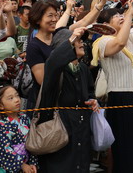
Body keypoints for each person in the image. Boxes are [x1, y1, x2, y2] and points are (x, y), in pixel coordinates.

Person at [37, 27, 99, 171]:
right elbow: (53, 60)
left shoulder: (83, 68)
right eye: (77, 41)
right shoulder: (56, 69)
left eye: (81, 40)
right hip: (60, 126)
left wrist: (93, 101)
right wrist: (72, 37)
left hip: (82, 125)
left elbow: (90, 92)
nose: (81, 43)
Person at [96, 5, 133, 173]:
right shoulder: (102, 41)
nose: (121, 16)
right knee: (127, 143)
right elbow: (118, 43)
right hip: (121, 94)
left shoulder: (129, 37)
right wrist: (128, 17)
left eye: (121, 14)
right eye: (116, 15)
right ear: (106, 24)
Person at [0, 85, 37, 173]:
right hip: (9, 167)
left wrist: (32, 162)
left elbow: (32, 140)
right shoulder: (1, 125)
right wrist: (21, 164)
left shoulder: (25, 118)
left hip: (27, 164)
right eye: (10, 98)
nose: (17, 100)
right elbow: (4, 149)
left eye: (17, 95)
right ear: (0, 106)